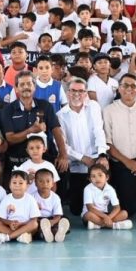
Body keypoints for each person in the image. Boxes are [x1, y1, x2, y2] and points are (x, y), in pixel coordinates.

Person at [102, 74, 136, 218]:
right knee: (129, 209)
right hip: (121, 160)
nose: (129, 89)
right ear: (119, 88)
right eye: (125, 85)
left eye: (133, 86)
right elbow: (108, 143)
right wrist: (128, 162)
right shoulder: (108, 110)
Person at [57, 77, 108, 215]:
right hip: (76, 166)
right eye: (73, 90)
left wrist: (102, 155)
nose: (77, 94)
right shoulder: (60, 115)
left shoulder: (94, 107)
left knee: (101, 205)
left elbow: (99, 131)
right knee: (76, 210)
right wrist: (83, 158)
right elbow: (62, 145)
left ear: (86, 93)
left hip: (97, 161)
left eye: (81, 91)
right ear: (67, 93)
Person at [0, 170, 40, 244]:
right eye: (14, 182)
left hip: (25, 227)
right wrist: (9, 223)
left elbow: (34, 219)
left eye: (21, 183)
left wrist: (21, 224)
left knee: (34, 224)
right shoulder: (6, 198)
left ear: (27, 186)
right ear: (9, 185)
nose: (17, 185)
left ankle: (8, 237)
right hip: (10, 227)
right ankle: (20, 237)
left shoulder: (31, 199)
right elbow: (1, 218)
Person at [82, 163, 132, 230]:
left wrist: (109, 217)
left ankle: (98, 225)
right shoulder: (87, 189)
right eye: (93, 176)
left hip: (104, 214)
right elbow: (90, 208)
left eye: (100, 175)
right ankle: (114, 225)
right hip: (92, 214)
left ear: (107, 177)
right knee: (88, 215)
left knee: (124, 213)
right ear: (90, 179)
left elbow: (117, 207)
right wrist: (105, 217)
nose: (97, 178)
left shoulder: (110, 189)